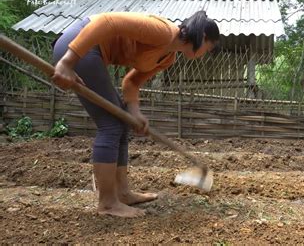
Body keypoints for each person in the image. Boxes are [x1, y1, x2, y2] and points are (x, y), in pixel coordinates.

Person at [52, 11, 220, 218]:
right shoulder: (163, 31)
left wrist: (134, 112)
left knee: (121, 123)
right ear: (203, 37)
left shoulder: (168, 57)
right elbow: (107, 22)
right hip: (80, 46)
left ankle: (122, 193)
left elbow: (132, 82)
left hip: (91, 54)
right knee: (111, 125)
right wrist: (67, 62)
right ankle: (107, 203)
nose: (205, 53)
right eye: (209, 48)